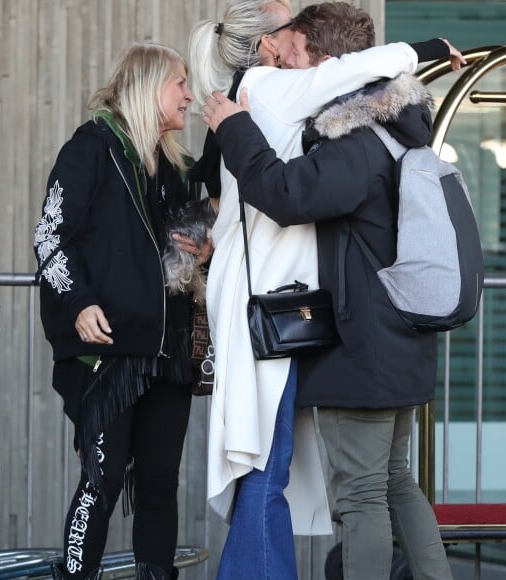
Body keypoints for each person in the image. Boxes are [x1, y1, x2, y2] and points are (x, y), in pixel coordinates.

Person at [189, 1, 464, 578]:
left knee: (361, 496)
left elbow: (290, 196)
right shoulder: (394, 133)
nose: (286, 58)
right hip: (401, 341)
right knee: (396, 483)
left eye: (295, 48)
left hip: (364, 343)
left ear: (324, 61)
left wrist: (234, 129)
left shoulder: (356, 139)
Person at [33, 43, 211, 580]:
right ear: (149, 87)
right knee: (104, 478)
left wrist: (203, 247)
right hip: (107, 353)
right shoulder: (90, 149)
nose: (189, 94)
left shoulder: (174, 165)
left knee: (159, 481)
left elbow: (183, 242)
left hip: (166, 351)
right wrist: (79, 302)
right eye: (179, 83)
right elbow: (50, 236)